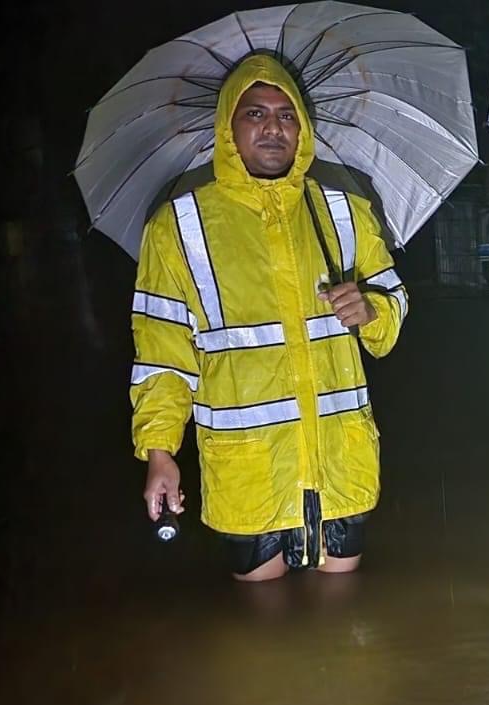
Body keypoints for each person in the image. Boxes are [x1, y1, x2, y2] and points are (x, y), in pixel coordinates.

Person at [129, 54, 409, 582]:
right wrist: (161, 453)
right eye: (255, 114)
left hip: (340, 460)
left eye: (286, 114)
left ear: (303, 126)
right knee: (263, 629)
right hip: (248, 470)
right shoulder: (177, 226)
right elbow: (161, 355)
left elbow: (391, 317)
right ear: (228, 128)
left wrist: (372, 309)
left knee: (345, 627)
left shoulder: (344, 209)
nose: (273, 128)